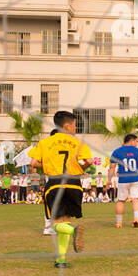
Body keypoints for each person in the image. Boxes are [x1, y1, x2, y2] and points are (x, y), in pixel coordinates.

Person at [27, 111, 90, 268]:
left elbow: (33, 163)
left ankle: (73, 232)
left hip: (55, 183)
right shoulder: (78, 143)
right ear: (67, 126)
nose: (76, 128)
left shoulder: (45, 142)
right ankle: (60, 259)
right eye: (75, 125)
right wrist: (81, 166)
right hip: (74, 183)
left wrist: (46, 165)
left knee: (55, 222)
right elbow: (88, 161)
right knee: (65, 220)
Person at [108, 133, 138, 229]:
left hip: (123, 179)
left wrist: (109, 180)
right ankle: (136, 219)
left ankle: (118, 223)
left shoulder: (117, 151)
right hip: (136, 179)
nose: (137, 144)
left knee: (121, 201)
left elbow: (112, 168)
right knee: (135, 199)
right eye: (136, 141)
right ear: (132, 141)